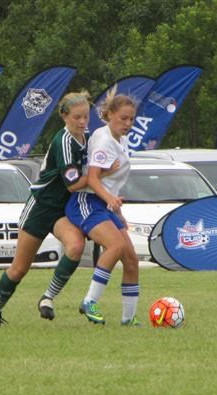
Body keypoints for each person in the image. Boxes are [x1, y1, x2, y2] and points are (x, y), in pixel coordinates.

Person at [0, 91, 92, 327]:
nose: (83, 122)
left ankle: (47, 298)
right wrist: (100, 175)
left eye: (86, 116)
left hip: (62, 209)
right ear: (64, 116)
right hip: (41, 207)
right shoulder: (63, 141)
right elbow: (74, 184)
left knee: (75, 247)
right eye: (77, 117)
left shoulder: (88, 139)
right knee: (20, 268)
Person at [65, 88, 141, 326]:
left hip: (105, 204)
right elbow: (93, 179)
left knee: (131, 261)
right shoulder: (103, 139)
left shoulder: (121, 140)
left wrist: (118, 211)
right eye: (123, 118)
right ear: (109, 115)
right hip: (87, 201)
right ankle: (89, 301)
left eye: (131, 119)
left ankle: (128, 319)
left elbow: (111, 184)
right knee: (116, 245)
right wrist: (109, 199)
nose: (127, 123)